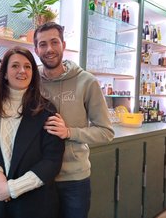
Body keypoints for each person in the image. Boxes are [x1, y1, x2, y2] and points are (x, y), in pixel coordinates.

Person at [0, 46, 65, 218]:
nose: (22, 71)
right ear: (4, 73)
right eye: (15, 66)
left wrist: (12, 188)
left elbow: (52, 160)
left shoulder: (46, 110)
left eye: (27, 66)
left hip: (36, 203)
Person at [33, 22, 115, 218]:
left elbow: (106, 132)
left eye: (54, 42)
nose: (49, 49)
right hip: (37, 176)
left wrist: (70, 132)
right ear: (35, 49)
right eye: (43, 44)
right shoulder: (30, 79)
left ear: (64, 44)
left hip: (74, 179)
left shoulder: (87, 81)